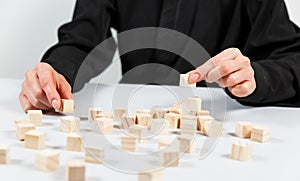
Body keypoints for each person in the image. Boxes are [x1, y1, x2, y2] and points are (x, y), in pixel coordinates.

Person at [19, 0, 300, 112]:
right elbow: (84, 42)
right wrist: (55, 73)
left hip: (221, 128)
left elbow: (292, 58)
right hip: (132, 125)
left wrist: (256, 78)